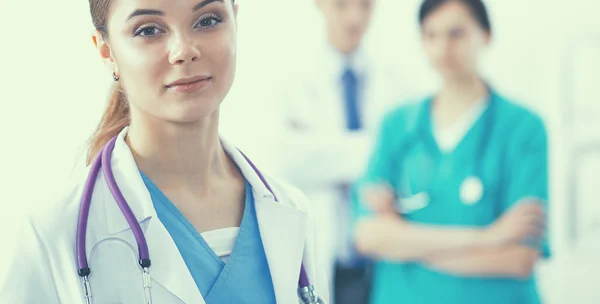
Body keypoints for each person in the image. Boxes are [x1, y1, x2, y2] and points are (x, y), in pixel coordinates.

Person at [0, 0, 328, 303]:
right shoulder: (54, 235)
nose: (184, 50)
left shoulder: (290, 209)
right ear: (106, 52)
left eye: (208, 20)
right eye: (149, 30)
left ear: (235, 22)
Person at [352, 0, 550, 303]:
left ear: (485, 36)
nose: (443, 48)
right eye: (431, 35)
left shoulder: (523, 128)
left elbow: (519, 257)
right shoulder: (397, 126)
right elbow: (368, 236)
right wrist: (488, 237)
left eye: (456, 34)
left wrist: (405, 242)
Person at [273, 0, 410, 303]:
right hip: (331, 258)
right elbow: (287, 160)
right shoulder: (292, 82)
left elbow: (411, 168)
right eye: (342, 4)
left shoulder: (399, 83)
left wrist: (326, 152)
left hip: (387, 259)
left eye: (365, 5)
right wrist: (379, 151)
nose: (354, 16)